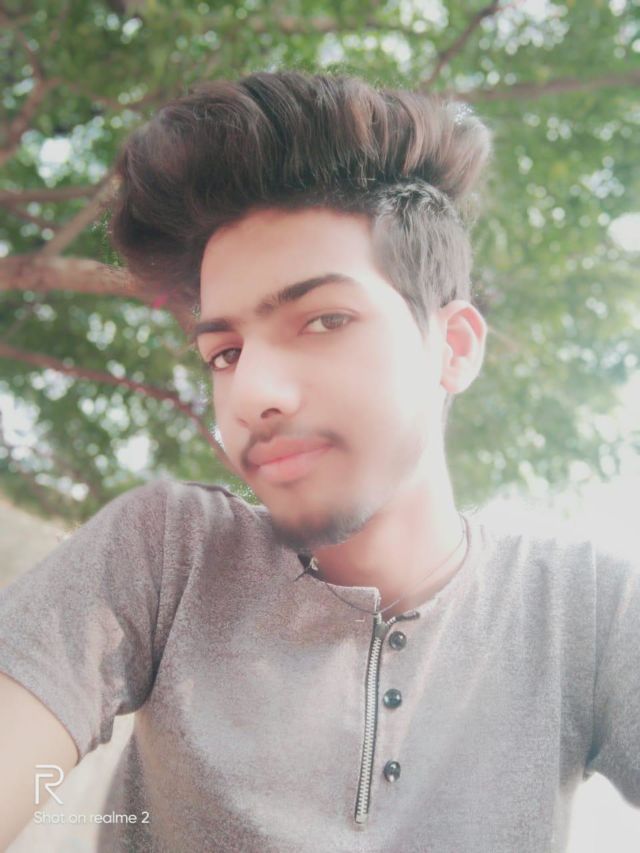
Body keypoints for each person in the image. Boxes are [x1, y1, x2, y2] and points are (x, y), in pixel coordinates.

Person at [0, 69, 638, 853]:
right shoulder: (167, 554)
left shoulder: (589, 612)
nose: (251, 393)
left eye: (324, 319)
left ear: (454, 346)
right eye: (225, 352)